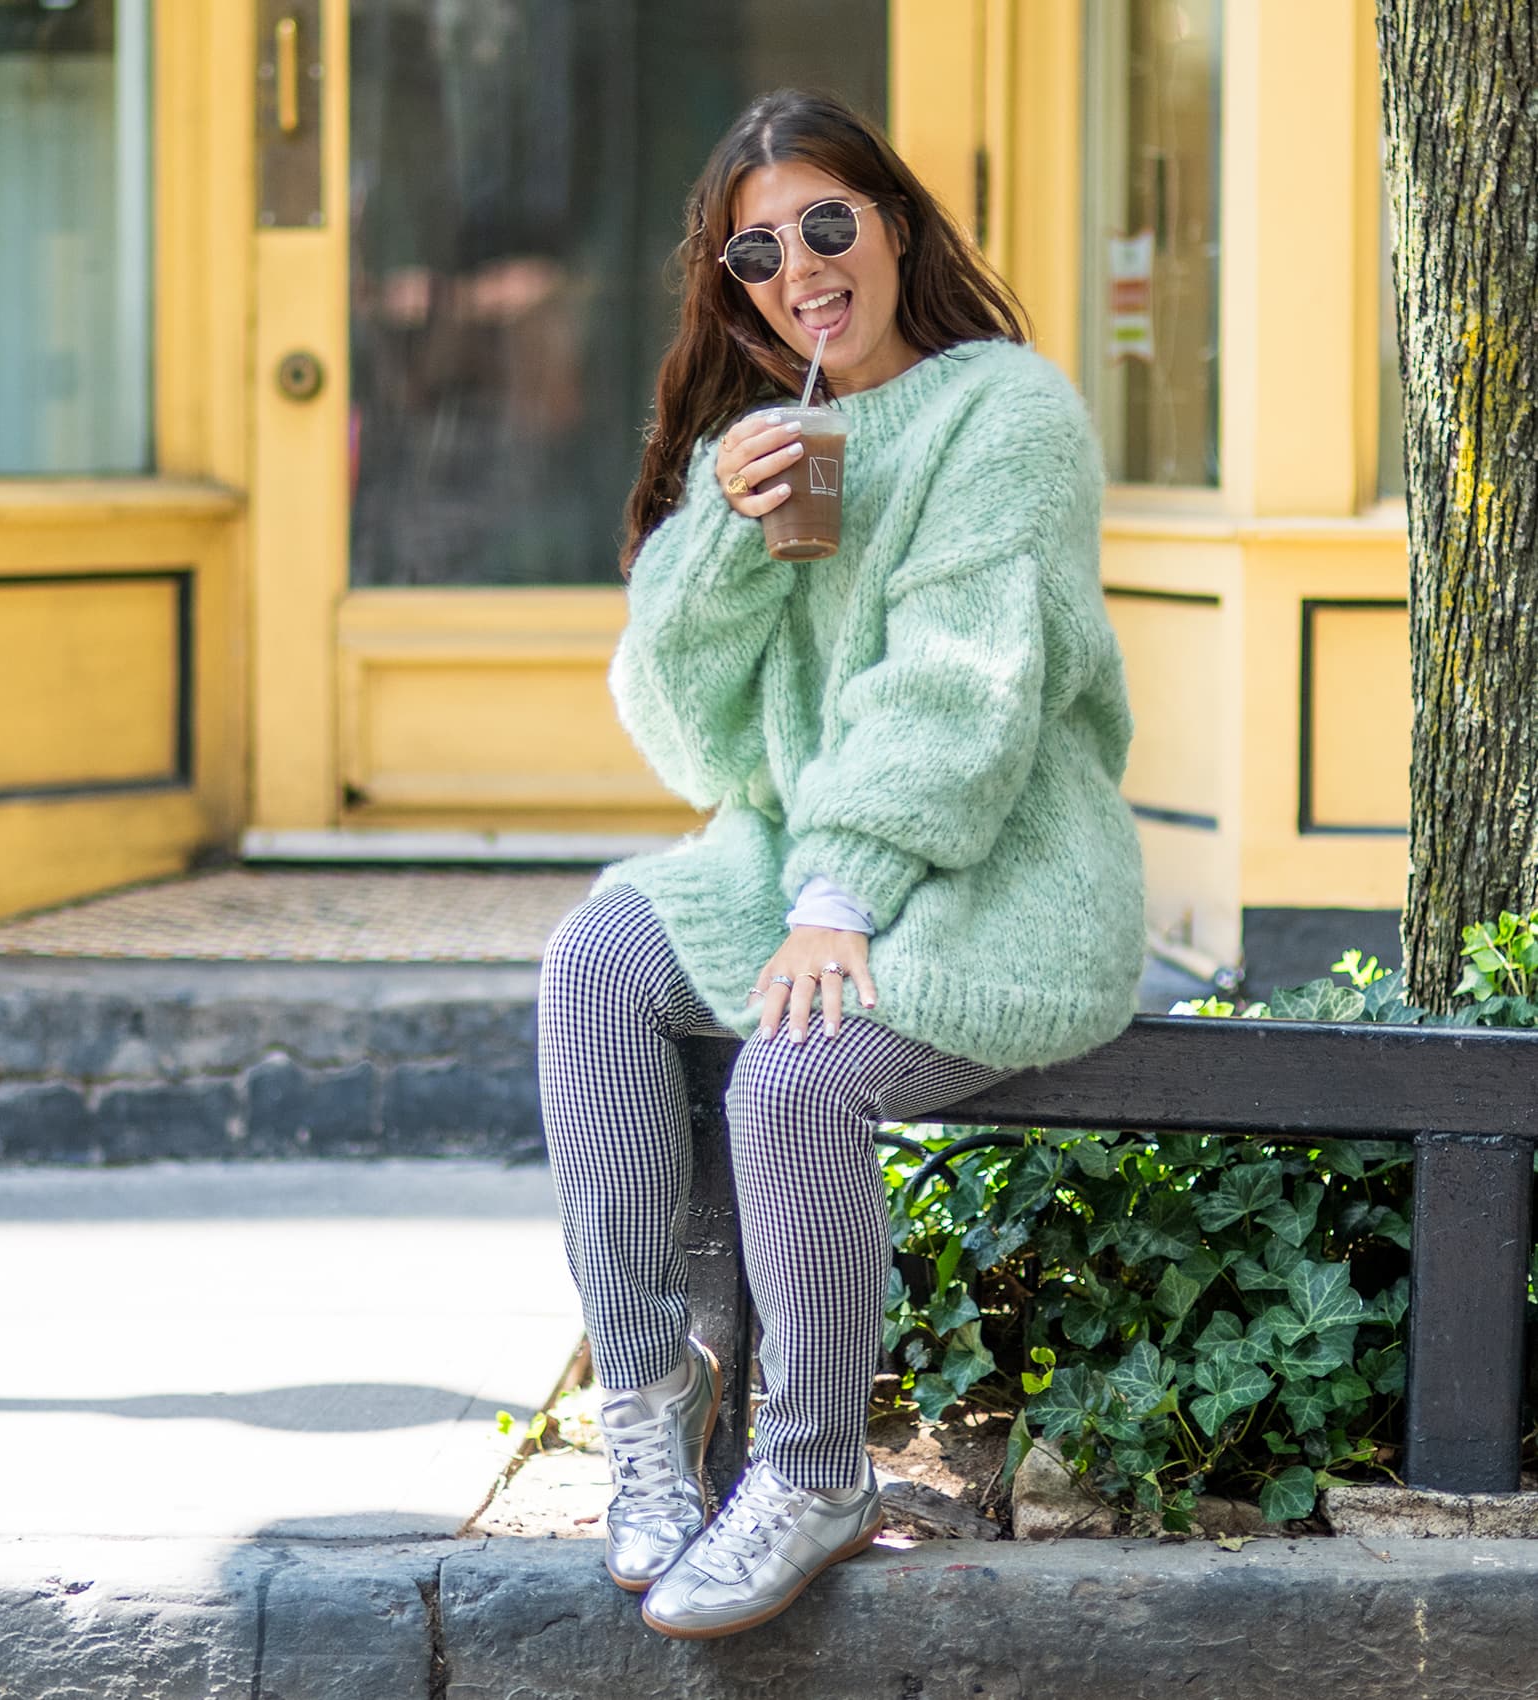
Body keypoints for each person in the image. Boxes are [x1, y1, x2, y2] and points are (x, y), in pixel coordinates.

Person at [538, 88, 1145, 1639]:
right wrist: (721, 536)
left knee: (794, 1079)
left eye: (828, 224)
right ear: (735, 286)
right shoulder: (757, 446)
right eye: (759, 251)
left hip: (1002, 875)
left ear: (897, 224)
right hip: (812, 858)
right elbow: (687, 736)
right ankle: (651, 1410)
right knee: (596, 957)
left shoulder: (1004, 414)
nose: (800, 268)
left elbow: (957, 690)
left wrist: (840, 895)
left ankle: (813, 1470)